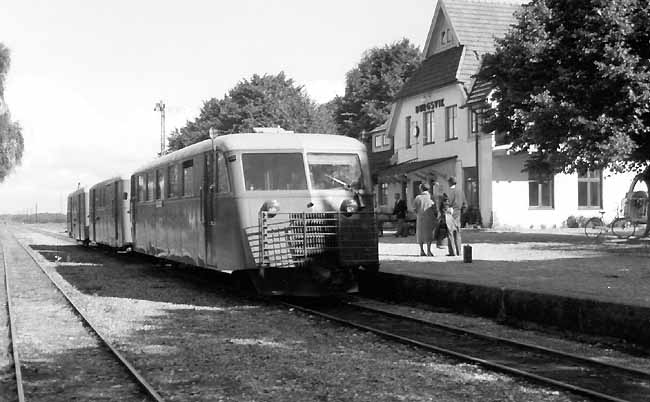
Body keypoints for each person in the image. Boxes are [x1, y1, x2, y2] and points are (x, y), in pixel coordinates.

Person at [413, 183, 437, 256]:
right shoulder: (431, 197)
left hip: (420, 218)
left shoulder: (418, 198)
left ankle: (422, 250)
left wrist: (417, 213)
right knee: (429, 234)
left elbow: (414, 208)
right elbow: (435, 208)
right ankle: (429, 250)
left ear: (421, 189)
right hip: (430, 218)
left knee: (420, 234)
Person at [446, 176, 466, 255]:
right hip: (458, 213)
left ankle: (452, 252)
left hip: (450, 214)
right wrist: (461, 211)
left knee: (450, 233)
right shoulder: (461, 192)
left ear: (450, 182)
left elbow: (446, 204)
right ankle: (459, 251)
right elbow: (465, 204)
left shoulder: (449, 192)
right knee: (458, 233)